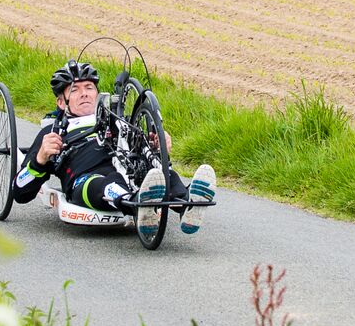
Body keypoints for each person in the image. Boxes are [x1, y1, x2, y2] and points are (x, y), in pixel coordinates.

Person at [11, 60, 217, 239]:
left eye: (89, 87)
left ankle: (187, 204)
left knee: (164, 173)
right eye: (74, 90)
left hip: (129, 169)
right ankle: (138, 205)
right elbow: (19, 192)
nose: (84, 94)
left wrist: (158, 145)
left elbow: (146, 150)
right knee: (107, 183)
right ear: (61, 103)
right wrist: (40, 159)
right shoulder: (53, 131)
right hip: (87, 178)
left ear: (98, 94)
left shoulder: (119, 121)